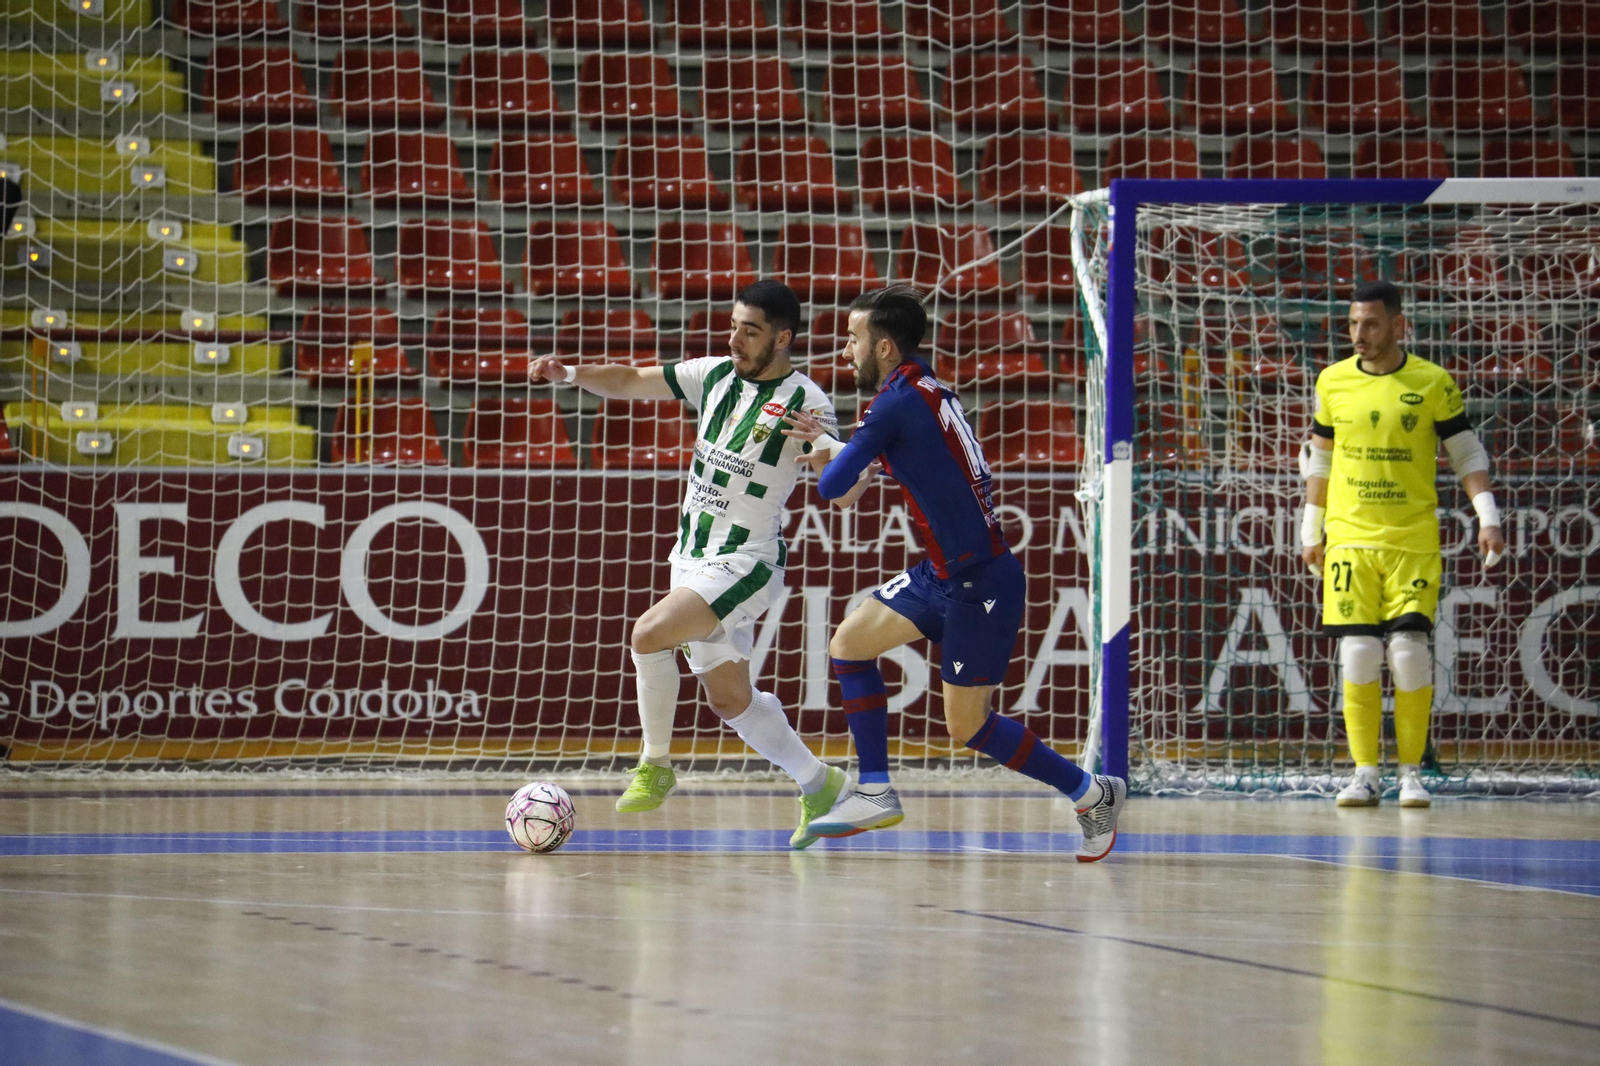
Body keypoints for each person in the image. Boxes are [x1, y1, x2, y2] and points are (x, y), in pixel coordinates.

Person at [782, 285, 1127, 863]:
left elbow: (832, 487)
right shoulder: (922, 388)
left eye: (853, 339)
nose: (846, 351)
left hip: (981, 584)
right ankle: (874, 789)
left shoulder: (893, 403)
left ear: (885, 347)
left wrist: (830, 451)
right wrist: (841, 451)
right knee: (848, 641)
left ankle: (1092, 794)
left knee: (969, 727)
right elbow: (885, 470)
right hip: (942, 574)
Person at [530, 280, 874, 848]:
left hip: (747, 560)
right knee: (729, 699)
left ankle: (656, 763)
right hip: (689, 559)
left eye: (750, 330)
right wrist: (570, 375)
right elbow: (633, 381)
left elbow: (842, 494)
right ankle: (820, 783)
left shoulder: (806, 400)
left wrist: (833, 454)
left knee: (649, 634)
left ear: (783, 338)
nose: (735, 337)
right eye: (735, 325)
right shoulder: (712, 375)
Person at [1301, 279, 1505, 808]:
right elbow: (1320, 460)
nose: (1358, 334)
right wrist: (1309, 529)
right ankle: (1365, 772)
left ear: (1397, 325)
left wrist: (1487, 516)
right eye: (1352, 323)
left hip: (1412, 538)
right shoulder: (1333, 381)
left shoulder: (1432, 382)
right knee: (1361, 651)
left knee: (1410, 652)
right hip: (1349, 538)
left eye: (1370, 323)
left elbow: (1466, 453)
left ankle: (1411, 772)